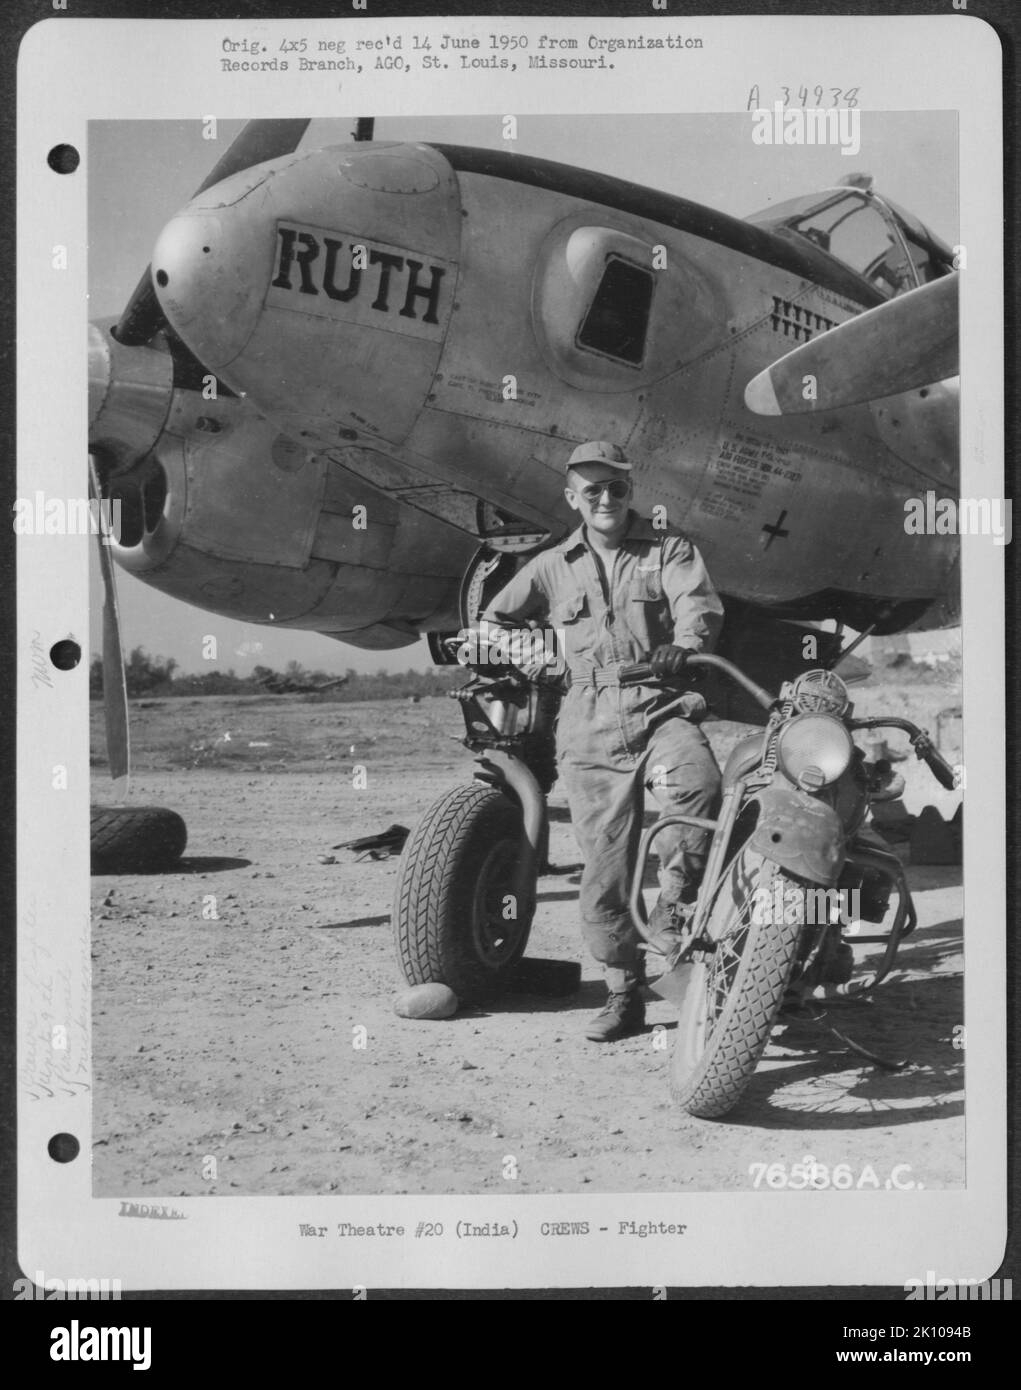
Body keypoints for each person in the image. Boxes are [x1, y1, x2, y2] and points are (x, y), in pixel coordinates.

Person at [480, 441, 724, 1041]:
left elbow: (698, 605)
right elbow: (492, 624)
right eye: (593, 491)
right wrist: (544, 665)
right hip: (586, 722)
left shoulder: (669, 548)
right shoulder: (549, 564)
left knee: (698, 786)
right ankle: (623, 992)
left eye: (617, 488)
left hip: (659, 705)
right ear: (574, 499)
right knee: (605, 866)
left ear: (630, 491)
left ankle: (673, 904)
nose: (607, 499)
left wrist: (685, 646)